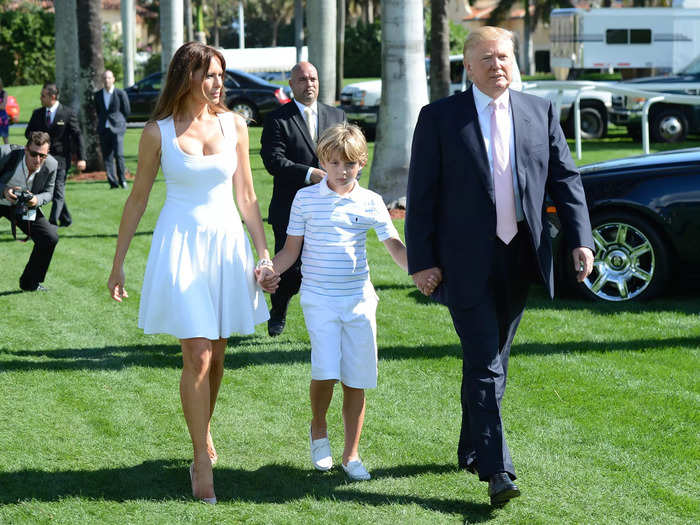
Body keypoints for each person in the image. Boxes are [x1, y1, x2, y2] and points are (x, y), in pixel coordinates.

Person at [405, 26, 595, 506]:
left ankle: (472, 445)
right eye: (487, 58)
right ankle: (498, 470)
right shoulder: (440, 118)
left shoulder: (539, 111)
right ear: (467, 67)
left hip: (521, 256)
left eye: (505, 56)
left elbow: (565, 178)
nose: (498, 65)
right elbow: (422, 194)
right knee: (486, 359)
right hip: (464, 262)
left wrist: (581, 240)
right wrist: (422, 262)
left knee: (494, 362)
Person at [107, 42, 276, 505]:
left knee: (218, 356)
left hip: (226, 248)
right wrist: (118, 261)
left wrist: (263, 254)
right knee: (198, 356)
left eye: (221, 74)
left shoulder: (235, 124)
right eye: (208, 74)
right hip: (180, 248)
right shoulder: (156, 132)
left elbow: (247, 195)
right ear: (186, 77)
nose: (217, 82)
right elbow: (137, 198)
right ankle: (200, 458)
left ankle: (203, 430)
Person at [263, 123, 408, 481]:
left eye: (350, 164)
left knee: (356, 378)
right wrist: (268, 270)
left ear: (361, 163)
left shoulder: (372, 201)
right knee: (325, 370)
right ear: (322, 161)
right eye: (334, 162)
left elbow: (395, 248)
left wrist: (422, 271)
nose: (342, 170)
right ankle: (318, 428)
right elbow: (290, 251)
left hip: (359, 300)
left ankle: (351, 455)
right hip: (318, 298)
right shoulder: (305, 198)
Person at [260, 61, 346, 337]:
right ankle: (278, 312)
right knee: (290, 270)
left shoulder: (337, 116)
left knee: (327, 267)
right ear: (291, 85)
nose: (309, 84)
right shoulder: (277, 119)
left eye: (313, 79)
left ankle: (329, 320)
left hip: (330, 208)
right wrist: (310, 174)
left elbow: (347, 153)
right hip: (290, 208)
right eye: (302, 80)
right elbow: (274, 161)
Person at [0, 132, 59, 292]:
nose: (37, 160)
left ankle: (30, 283)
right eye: (34, 154)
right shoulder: (6, 153)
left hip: (23, 206)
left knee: (49, 238)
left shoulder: (52, 165)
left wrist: (36, 200)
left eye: (42, 156)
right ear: (26, 149)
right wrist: (4, 191)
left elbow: (49, 192)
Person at [25, 83, 86, 228]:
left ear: (53, 97)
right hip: (40, 159)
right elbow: (28, 132)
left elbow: (78, 135)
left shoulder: (67, 113)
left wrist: (81, 158)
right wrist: (37, 138)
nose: (40, 98)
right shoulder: (37, 113)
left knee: (58, 190)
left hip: (61, 159)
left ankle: (51, 223)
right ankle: (64, 219)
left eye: (43, 95)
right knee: (37, 189)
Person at [94, 69, 131, 189]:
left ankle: (123, 180)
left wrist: (119, 122)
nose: (107, 80)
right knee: (107, 157)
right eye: (104, 78)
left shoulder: (121, 93)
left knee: (119, 155)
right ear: (102, 80)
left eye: (109, 78)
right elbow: (99, 111)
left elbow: (126, 111)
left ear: (113, 79)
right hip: (104, 128)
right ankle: (112, 182)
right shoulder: (98, 95)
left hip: (118, 129)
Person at [0, 77, 10, 145]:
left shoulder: (4, 93)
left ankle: (8, 154)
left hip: (2, 118)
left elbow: (3, 106)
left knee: (5, 137)